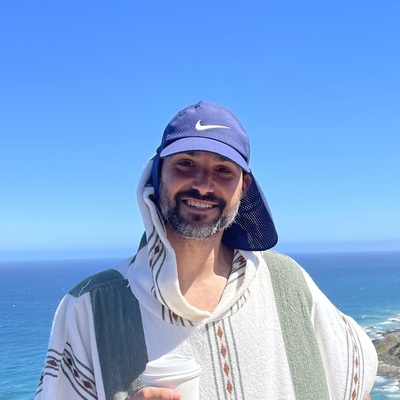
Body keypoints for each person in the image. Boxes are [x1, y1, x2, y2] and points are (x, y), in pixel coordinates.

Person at [36, 101, 377, 400]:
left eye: (223, 170)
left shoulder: (288, 284)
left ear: (243, 186)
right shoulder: (89, 306)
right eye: (185, 163)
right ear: (158, 173)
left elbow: (356, 383)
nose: (202, 184)